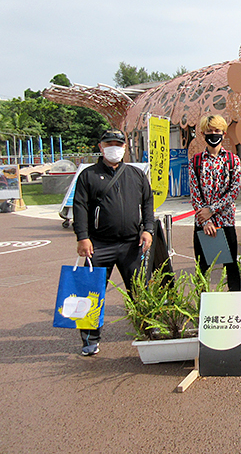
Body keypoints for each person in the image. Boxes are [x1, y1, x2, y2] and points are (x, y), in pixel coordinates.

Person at [72, 129, 154, 356]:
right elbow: (79, 207)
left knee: (139, 290)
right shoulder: (88, 175)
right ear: (101, 146)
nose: (114, 148)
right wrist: (83, 237)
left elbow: (148, 203)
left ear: (125, 147)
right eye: (109, 143)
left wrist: (148, 229)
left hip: (131, 244)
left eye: (118, 144)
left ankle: (148, 332)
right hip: (99, 245)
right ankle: (90, 340)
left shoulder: (136, 175)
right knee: (92, 293)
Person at [189, 115, 241, 291]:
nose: (213, 134)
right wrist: (206, 220)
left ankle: (235, 302)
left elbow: (234, 191)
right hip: (203, 224)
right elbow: (195, 194)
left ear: (224, 133)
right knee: (202, 268)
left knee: (231, 265)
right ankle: (203, 305)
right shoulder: (195, 161)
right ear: (203, 133)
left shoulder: (233, 160)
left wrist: (211, 210)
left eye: (217, 131)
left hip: (226, 222)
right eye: (210, 131)